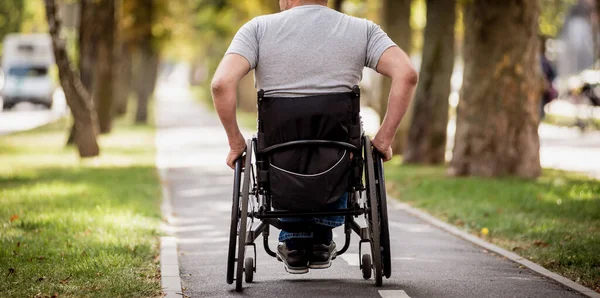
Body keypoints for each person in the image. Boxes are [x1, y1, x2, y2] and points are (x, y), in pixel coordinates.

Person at [211, 0, 417, 274]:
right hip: (339, 156)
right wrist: (384, 139)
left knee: (283, 152)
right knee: (341, 149)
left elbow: (220, 84)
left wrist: (236, 143)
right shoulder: (362, 30)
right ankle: (321, 239)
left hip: (278, 157)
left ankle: (294, 240)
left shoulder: (257, 29)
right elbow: (407, 74)